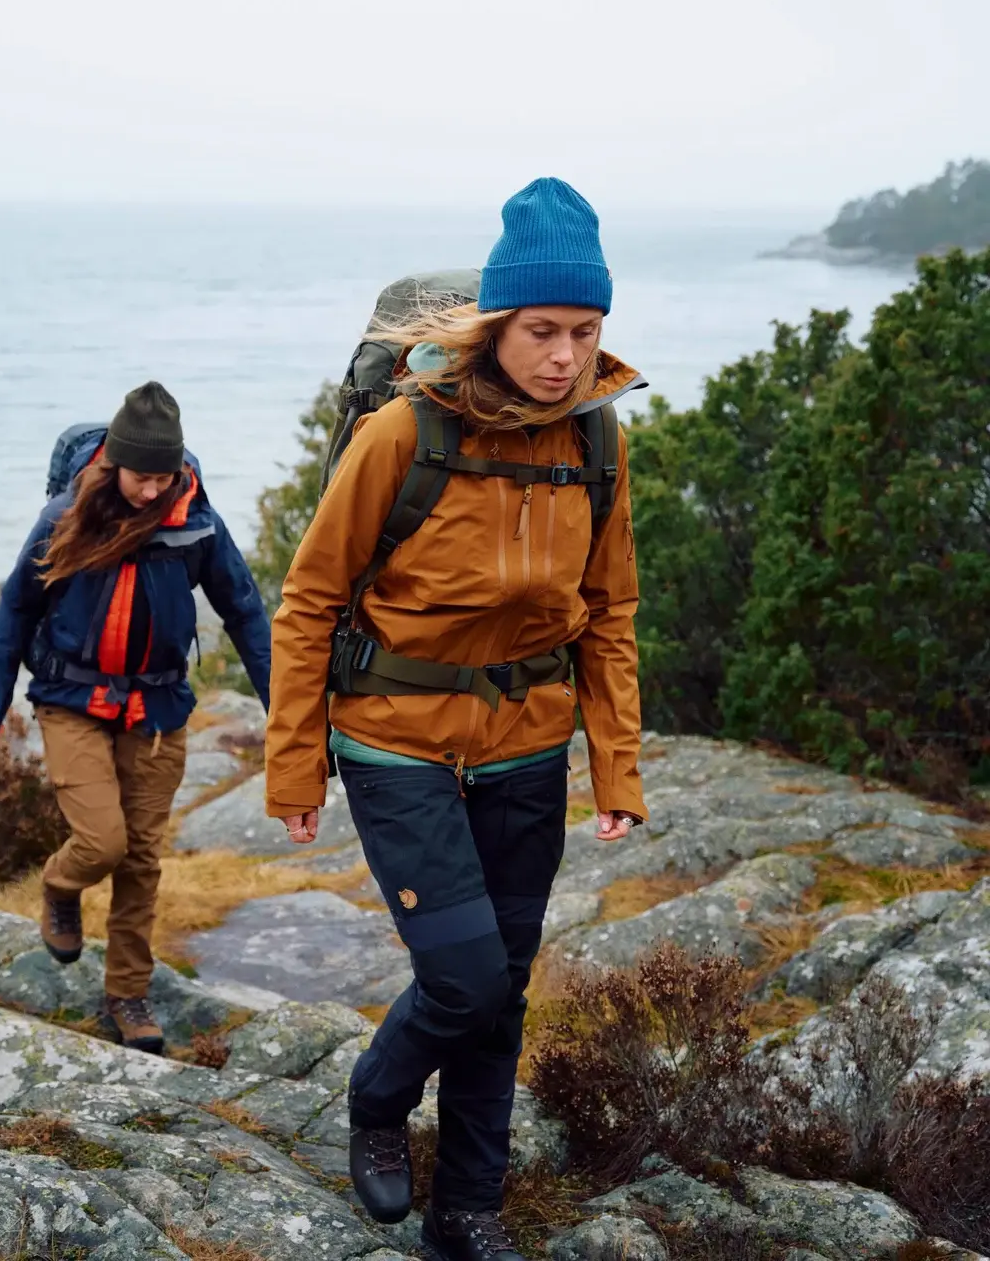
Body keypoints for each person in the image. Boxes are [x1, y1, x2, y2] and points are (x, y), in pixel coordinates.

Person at [264, 179, 647, 1261]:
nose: (565, 355)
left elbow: (609, 612)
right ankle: (378, 1098)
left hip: (527, 745)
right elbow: (309, 601)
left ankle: (468, 1211)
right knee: (465, 977)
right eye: (542, 330)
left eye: (584, 331)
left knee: (504, 987)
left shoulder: (597, 442)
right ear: (497, 324)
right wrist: (295, 767)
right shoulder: (404, 431)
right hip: (397, 743)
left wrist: (614, 764)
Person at [0, 381, 271, 1055]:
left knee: (140, 858)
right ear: (114, 463)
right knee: (102, 843)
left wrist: (281, 704)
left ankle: (128, 996)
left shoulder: (197, 521)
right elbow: (15, 607)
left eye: (165, 476)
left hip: (158, 707)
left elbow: (245, 611)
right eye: (142, 477)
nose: (152, 491)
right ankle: (59, 884)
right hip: (71, 700)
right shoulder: (65, 515)